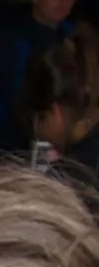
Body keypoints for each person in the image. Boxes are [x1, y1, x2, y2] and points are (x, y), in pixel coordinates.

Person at [0, 0, 80, 152]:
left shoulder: (74, 34)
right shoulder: (11, 37)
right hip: (11, 137)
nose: (66, 2)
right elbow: (14, 94)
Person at [23, 24, 99, 176]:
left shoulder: (70, 178)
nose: (37, 129)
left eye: (41, 118)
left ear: (56, 112)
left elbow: (38, 183)